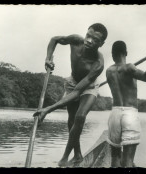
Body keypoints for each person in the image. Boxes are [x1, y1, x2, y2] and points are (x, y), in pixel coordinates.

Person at [33, 23, 108, 166]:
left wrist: (48, 109)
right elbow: (54, 39)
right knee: (71, 121)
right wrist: (48, 58)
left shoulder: (98, 64)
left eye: (95, 40)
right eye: (88, 36)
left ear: (101, 43)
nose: (89, 41)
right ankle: (77, 155)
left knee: (80, 117)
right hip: (73, 81)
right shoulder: (75, 40)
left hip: (88, 86)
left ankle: (64, 158)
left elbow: (78, 92)